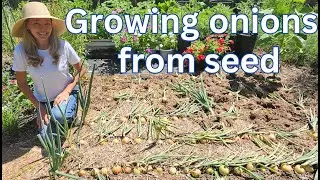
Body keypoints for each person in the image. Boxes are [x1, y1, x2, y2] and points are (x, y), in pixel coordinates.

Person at [11, 2, 86, 140]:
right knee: (47, 139)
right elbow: (21, 82)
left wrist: (67, 90)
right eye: (36, 24)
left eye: (47, 23)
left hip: (66, 95)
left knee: (58, 116)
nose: (43, 29)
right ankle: (56, 117)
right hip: (43, 100)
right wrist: (39, 106)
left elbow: (81, 69)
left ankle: (70, 114)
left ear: (52, 25)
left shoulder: (63, 46)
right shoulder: (21, 51)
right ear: (27, 26)